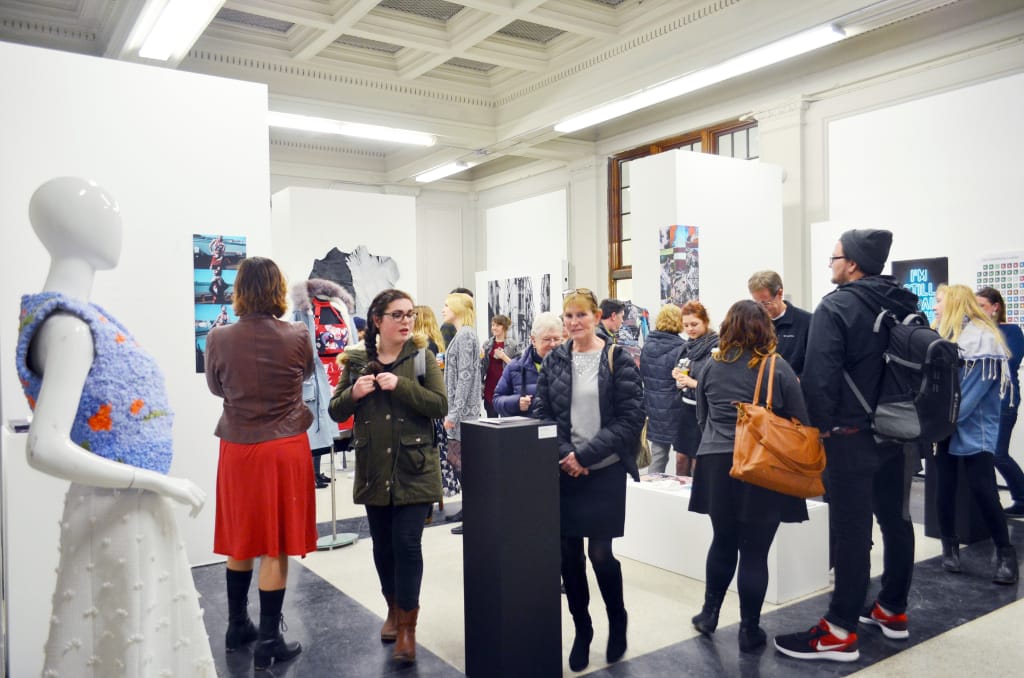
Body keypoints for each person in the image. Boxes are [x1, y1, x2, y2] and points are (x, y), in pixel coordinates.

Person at [16, 177, 212, 676]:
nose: (115, 219)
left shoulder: (83, 318)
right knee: (123, 640)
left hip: (130, 509)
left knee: (142, 639)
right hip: (116, 512)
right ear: (64, 225)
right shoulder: (68, 326)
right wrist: (156, 480)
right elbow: (43, 447)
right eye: (103, 209)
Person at [775, 229, 918, 663]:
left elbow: (820, 379)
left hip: (851, 439)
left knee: (851, 530)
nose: (831, 264)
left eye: (834, 257)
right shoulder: (904, 302)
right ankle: (893, 609)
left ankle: (839, 630)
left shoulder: (837, 305)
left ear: (852, 263)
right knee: (897, 520)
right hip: (899, 432)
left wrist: (817, 429)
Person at [205, 256, 319, 670]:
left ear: (238, 290)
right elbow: (305, 375)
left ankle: (238, 626)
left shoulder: (218, 338)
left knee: (242, 535)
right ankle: (269, 640)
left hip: (237, 446)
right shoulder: (298, 335)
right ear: (276, 289)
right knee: (275, 543)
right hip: (284, 444)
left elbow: (217, 386)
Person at [329, 290, 448, 663]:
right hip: (374, 469)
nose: (406, 321)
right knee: (383, 547)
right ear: (377, 319)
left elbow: (440, 405)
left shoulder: (421, 358)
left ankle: (408, 631)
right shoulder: (357, 360)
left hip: (415, 469)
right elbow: (334, 410)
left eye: (409, 314)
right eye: (397, 315)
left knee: (408, 546)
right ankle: (393, 611)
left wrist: (403, 386)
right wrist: (354, 392)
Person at [534, 289, 644, 672]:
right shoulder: (555, 360)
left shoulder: (619, 358)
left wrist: (585, 456)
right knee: (568, 557)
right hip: (564, 472)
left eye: (581, 315)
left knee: (600, 554)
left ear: (596, 317)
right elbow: (541, 411)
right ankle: (583, 629)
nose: (574, 322)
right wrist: (566, 454)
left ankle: (618, 621)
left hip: (606, 470)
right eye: (568, 316)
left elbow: (630, 419)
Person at [689, 300, 810, 652]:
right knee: (755, 551)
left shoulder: (710, 367)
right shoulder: (777, 367)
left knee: (722, 541)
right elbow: (800, 418)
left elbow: (701, 417)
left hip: (715, 463)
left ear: (727, 328)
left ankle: (709, 614)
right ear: (764, 328)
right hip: (761, 467)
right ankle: (749, 630)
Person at [932, 284, 1018, 584]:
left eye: (939, 301)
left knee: (983, 489)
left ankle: (1006, 554)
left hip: (972, 428)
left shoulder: (983, 340)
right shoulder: (946, 334)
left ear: (954, 303)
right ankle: (949, 546)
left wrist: (940, 420)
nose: (935, 307)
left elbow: (970, 396)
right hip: (945, 425)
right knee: (944, 487)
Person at [975, 286, 1024, 515]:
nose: (978, 311)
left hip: (1005, 401)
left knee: (997, 454)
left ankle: (1022, 498)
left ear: (996, 308)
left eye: (982, 306)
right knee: (988, 454)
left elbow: (1009, 361)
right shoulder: (975, 332)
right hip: (983, 402)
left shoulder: (1011, 330)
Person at [441, 291, 482, 533]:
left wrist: (453, 414)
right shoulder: (462, 336)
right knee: (458, 463)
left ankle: (474, 513)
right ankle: (469, 510)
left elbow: (465, 377)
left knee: (462, 464)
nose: (443, 309)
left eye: (447, 305)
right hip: (460, 411)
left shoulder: (466, 337)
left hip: (464, 414)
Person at [671, 300, 719, 477]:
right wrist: (677, 375)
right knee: (681, 459)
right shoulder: (685, 347)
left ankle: (698, 500)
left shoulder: (716, 347)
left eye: (694, 324)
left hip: (706, 412)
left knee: (698, 463)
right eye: (685, 325)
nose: (690, 329)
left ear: (705, 322)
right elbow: (682, 371)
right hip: (686, 409)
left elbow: (718, 385)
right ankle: (678, 499)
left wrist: (692, 383)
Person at [639, 304, 686, 474]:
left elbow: (643, 374)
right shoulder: (682, 347)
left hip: (652, 404)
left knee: (659, 451)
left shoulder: (647, 345)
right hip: (675, 405)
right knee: (684, 453)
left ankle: (653, 488)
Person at [492, 311, 564, 417]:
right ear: (533, 340)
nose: (553, 344)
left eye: (557, 339)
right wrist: (516, 403)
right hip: (527, 431)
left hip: (560, 431)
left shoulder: (569, 366)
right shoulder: (515, 367)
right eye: (547, 339)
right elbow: (497, 400)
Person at [747, 270, 811, 375]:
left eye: (765, 303)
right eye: (756, 303)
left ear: (780, 294)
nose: (761, 309)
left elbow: (814, 365)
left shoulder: (807, 322)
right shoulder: (752, 324)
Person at [481, 313, 522, 417]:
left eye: (497, 325)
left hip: (506, 388)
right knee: (491, 422)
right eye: (493, 325)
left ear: (504, 327)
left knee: (506, 424)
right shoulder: (487, 344)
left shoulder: (513, 345)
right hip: (490, 388)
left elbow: (519, 367)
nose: (494, 328)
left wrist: (503, 356)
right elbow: (482, 367)